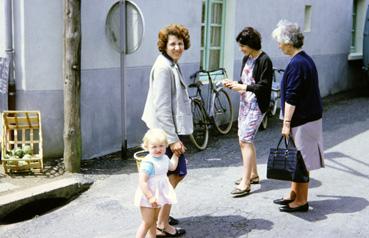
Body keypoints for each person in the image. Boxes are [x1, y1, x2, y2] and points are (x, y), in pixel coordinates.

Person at [141, 24, 192, 236]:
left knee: (171, 173)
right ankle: (161, 223)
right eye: (173, 44)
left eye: (180, 43)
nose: (177, 47)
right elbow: (162, 108)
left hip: (166, 132)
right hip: (164, 134)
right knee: (176, 173)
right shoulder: (163, 67)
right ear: (165, 45)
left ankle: (161, 216)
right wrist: (172, 140)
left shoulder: (170, 63)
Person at [271, 19, 324, 212]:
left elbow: (292, 96)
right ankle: (294, 193)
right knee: (298, 158)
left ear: (288, 42)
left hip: (302, 120)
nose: (278, 45)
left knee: (301, 160)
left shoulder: (297, 64)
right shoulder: (304, 59)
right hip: (308, 118)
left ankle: (301, 201)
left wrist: (286, 123)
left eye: (279, 41)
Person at [223, 27, 273, 197]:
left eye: (243, 45)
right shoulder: (247, 58)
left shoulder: (265, 60)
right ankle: (253, 175)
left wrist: (243, 86)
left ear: (251, 44)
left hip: (256, 106)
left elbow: (264, 86)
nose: (241, 49)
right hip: (245, 104)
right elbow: (245, 81)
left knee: (245, 140)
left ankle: (246, 183)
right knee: (243, 140)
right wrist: (233, 83)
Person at [135, 129, 180, 238]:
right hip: (148, 195)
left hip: (159, 194)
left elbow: (172, 166)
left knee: (154, 220)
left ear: (166, 145)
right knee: (147, 222)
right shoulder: (149, 162)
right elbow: (142, 181)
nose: (158, 149)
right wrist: (150, 197)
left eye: (161, 146)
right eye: (154, 147)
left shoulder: (164, 158)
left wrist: (176, 155)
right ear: (147, 147)